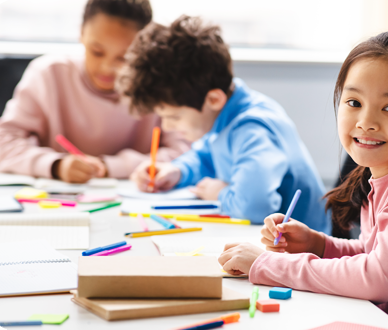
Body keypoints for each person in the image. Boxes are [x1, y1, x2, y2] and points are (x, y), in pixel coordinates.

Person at [218, 31, 388, 329]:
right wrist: (318, 244)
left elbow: (381, 278)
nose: (366, 122)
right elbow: (376, 253)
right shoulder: (387, 171)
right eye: (353, 102)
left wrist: (269, 264)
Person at [122, 16, 330, 232]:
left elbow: (255, 206)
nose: (167, 127)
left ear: (213, 99)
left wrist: (219, 193)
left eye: (174, 117)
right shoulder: (224, 113)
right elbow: (206, 157)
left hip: (303, 252)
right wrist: (178, 171)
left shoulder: (252, 128)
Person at [0, 0, 189, 183]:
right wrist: (55, 165)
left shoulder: (159, 85)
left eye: (124, 57)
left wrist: (112, 167)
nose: (107, 68)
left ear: (143, 48)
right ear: (81, 33)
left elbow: (187, 154)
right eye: (97, 51)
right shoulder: (48, 74)